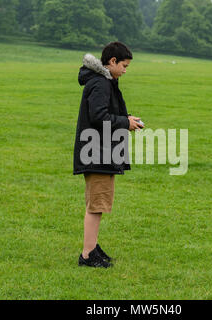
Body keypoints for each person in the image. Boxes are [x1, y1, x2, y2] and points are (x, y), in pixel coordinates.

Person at [73, 42, 144, 268]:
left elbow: (106, 113)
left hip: (100, 152)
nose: (125, 70)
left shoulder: (106, 82)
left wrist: (128, 119)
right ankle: (87, 255)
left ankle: (92, 247)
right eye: (124, 65)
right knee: (96, 205)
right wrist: (125, 123)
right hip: (96, 153)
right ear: (112, 61)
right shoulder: (101, 83)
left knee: (98, 204)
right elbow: (98, 117)